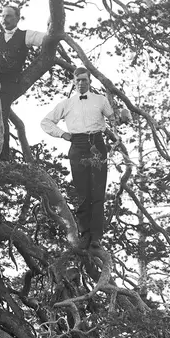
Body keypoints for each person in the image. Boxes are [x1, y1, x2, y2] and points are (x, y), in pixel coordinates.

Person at [39, 65, 130, 252]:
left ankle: (96, 237)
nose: (81, 83)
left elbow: (113, 121)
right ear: (74, 81)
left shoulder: (100, 100)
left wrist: (123, 116)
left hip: (97, 145)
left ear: (90, 82)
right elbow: (45, 122)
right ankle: (84, 234)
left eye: (85, 80)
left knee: (97, 192)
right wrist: (63, 135)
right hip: (77, 145)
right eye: (78, 80)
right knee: (82, 192)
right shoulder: (67, 104)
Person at [0, 3, 46, 159]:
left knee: (0, 115)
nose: (4, 19)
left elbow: (45, 38)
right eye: (3, 15)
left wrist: (52, 26)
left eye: (8, 16)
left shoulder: (26, 35)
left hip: (8, 81)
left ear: (17, 18)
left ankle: (3, 158)